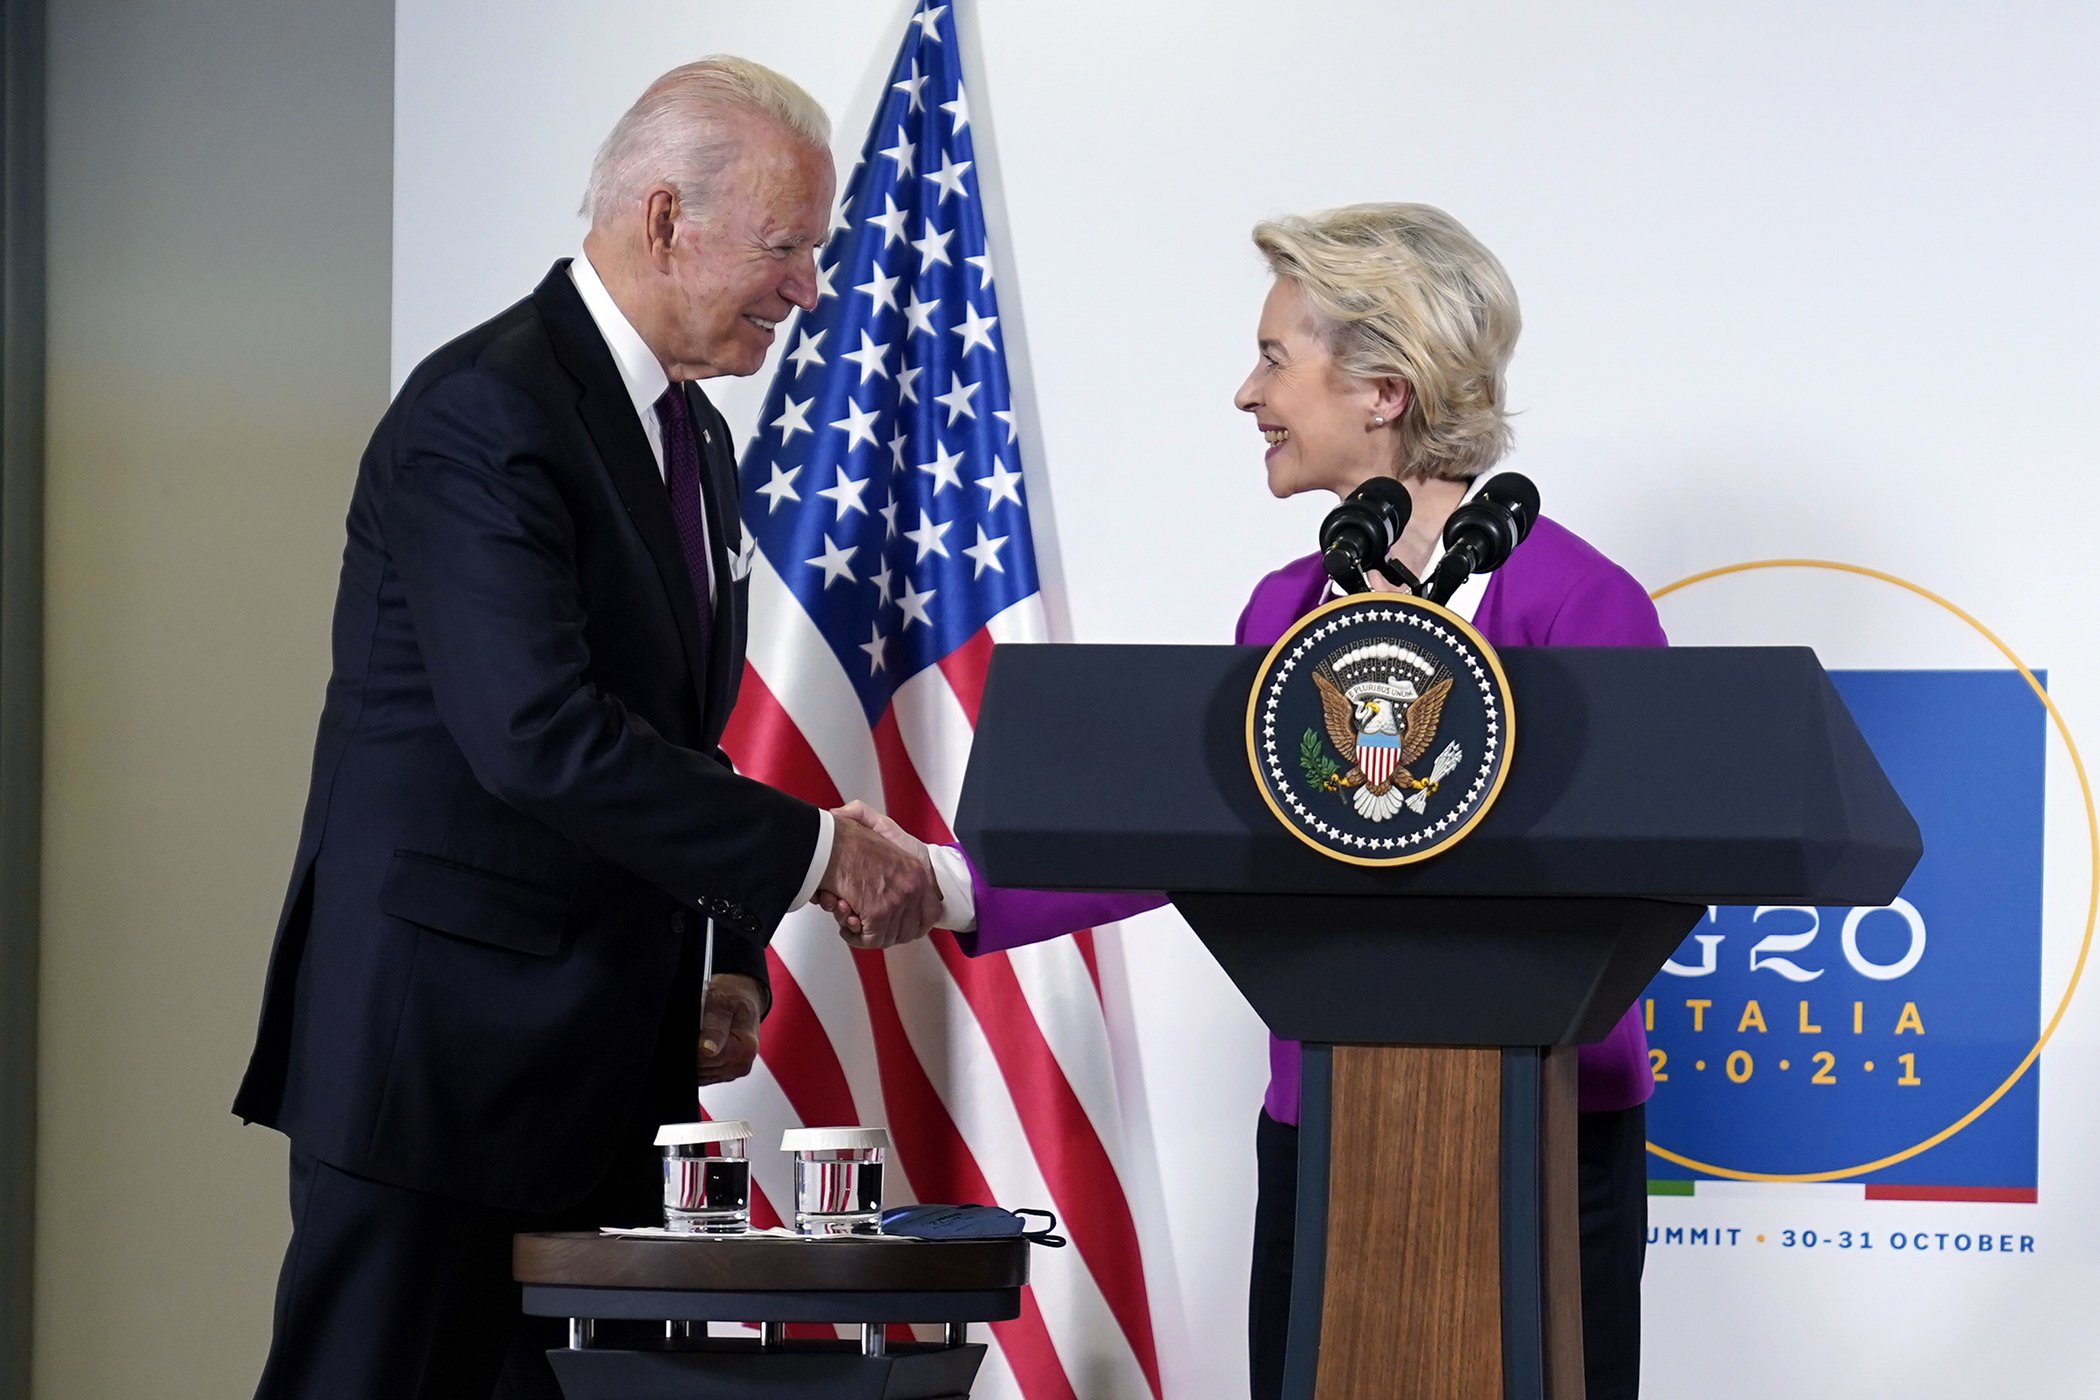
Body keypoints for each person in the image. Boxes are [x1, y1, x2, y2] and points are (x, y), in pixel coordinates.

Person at [826, 203, 1664, 1400]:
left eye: (1275, 357)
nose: (1245, 393)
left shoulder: (1580, 606)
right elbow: (1205, 828)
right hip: (1324, 1119)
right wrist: (947, 880)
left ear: (1385, 385)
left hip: (1540, 1129)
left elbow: (1628, 873)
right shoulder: (1285, 610)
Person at [232, 58, 940, 1400]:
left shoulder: (693, 441)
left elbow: (666, 736)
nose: (808, 288)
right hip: (435, 1077)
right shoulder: (485, 414)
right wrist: (820, 854)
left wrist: (721, 955)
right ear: (664, 217)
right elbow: (538, 736)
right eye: (786, 247)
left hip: (596, 1072)